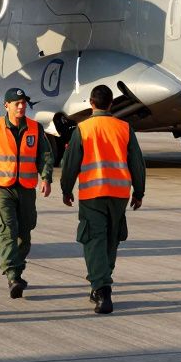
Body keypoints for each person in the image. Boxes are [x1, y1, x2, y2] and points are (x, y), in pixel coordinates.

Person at [59, 84, 145, 314]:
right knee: (111, 240)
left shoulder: (83, 128)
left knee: (94, 241)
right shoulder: (124, 128)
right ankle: (102, 280)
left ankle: (102, 289)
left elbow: (70, 163)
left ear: (91, 103)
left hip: (92, 195)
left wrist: (66, 189)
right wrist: (139, 192)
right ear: (111, 104)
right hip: (119, 195)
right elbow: (137, 162)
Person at [0, 87, 53, 298]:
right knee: (7, 232)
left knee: (25, 234)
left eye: (24, 103)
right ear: (7, 105)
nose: (22, 106)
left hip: (25, 188)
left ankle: (18, 272)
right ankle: (12, 275)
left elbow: (45, 154)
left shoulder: (34, 127)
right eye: (17, 103)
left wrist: (46, 177)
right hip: (2, 188)